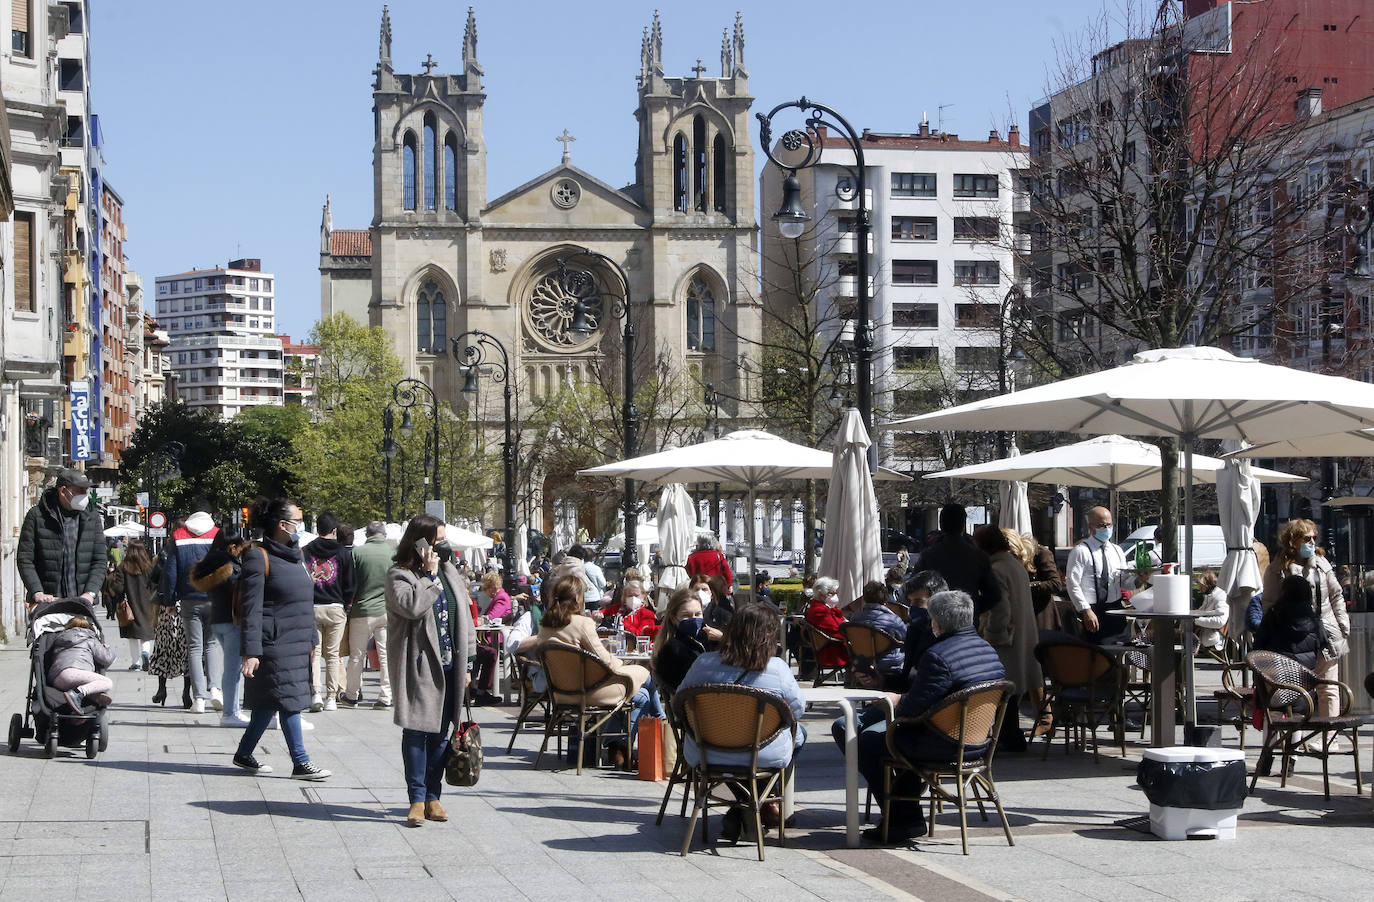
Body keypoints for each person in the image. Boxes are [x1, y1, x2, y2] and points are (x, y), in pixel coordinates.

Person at [854, 590, 1006, 845]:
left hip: (942, 743)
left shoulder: (938, 656)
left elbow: (910, 710)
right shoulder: (987, 649)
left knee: (868, 740)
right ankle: (906, 814)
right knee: (882, 733)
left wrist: (893, 701)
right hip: (977, 742)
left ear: (937, 623)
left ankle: (900, 817)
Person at [676, 602, 806, 839]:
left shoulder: (703, 663)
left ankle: (743, 805)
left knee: (735, 751)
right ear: (768, 636)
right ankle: (759, 801)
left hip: (706, 752)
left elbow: (680, 703)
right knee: (800, 734)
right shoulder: (776, 668)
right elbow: (798, 709)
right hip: (760, 752)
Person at [232, 498, 331, 781]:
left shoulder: (297, 557)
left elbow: (305, 602)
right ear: (281, 525)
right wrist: (250, 651)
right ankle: (301, 762)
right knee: (289, 700)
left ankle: (244, 753)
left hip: (298, 641)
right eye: (297, 521)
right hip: (274, 643)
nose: (300, 526)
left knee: (268, 702)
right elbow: (251, 608)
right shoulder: (257, 557)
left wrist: (312, 638)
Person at [387, 515, 475, 827]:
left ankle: (433, 796)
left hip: (451, 665)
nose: (443, 546)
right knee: (416, 731)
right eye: (437, 540)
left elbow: (464, 618)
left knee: (441, 734)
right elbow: (412, 607)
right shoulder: (400, 575)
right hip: (420, 665)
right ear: (420, 541)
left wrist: (468, 663)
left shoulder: (450, 573)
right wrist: (427, 575)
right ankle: (415, 798)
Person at [538, 574, 650, 767]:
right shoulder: (582, 623)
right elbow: (606, 661)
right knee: (645, 686)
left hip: (560, 693)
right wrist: (622, 665)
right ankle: (628, 745)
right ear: (577, 598)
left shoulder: (545, 625)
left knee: (644, 691)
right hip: (589, 692)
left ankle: (618, 749)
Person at [1262, 518, 1349, 718]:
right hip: (1294, 637)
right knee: (1295, 689)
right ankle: (1296, 736)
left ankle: (1329, 738)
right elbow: (1269, 604)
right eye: (1307, 538)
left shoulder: (1321, 563)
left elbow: (1336, 595)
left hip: (1326, 633)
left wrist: (1343, 626)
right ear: (1293, 540)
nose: (1312, 542)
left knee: (1328, 688)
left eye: (1314, 538)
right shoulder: (1278, 569)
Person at [973, 526, 1042, 749]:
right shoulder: (1014, 565)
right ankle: (1010, 735)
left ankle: (1009, 736)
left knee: (1003, 688)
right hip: (1021, 634)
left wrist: (993, 634)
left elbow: (1001, 608)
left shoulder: (997, 569)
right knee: (1011, 689)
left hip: (1006, 639)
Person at [17, 468, 107, 608]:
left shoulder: (92, 517)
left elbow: (100, 560)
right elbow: (25, 559)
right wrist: (37, 592)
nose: (85, 495)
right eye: (80, 491)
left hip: (82, 603)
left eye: (86, 491)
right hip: (48, 603)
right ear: (63, 491)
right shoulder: (36, 516)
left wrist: (90, 593)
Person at [160, 507, 221, 714]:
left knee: (194, 647)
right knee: (212, 644)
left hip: (189, 599)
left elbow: (170, 572)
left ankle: (199, 699)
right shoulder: (217, 535)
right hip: (214, 598)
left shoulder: (178, 536)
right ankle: (215, 689)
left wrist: (169, 601)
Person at [190, 528, 252, 726]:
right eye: (239, 548)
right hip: (232, 620)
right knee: (233, 669)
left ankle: (232, 710)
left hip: (218, 619)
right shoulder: (231, 567)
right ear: (232, 547)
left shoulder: (209, 564)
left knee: (231, 667)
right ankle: (230, 713)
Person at [304, 513, 357, 713]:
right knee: (333, 655)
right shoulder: (343, 552)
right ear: (334, 531)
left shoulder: (306, 551)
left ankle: (315, 693)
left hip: (313, 606)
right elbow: (350, 582)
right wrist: (347, 604)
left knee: (314, 653)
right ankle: (331, 697)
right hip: (336, 607)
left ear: (317, 529)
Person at [914, 503, 1001, 618]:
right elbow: (994, 595)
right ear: (963, 525)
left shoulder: (928, 556)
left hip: (938, 620)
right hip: (967, 621)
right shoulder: (979, 556)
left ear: (941, 524)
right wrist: (973, 608)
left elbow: (915, 589)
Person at [344, 521, 394, 709]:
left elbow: (350, 584)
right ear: (384, 534)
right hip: (386, 611)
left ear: (366, 534)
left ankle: (352, 695)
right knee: (386, 655)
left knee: (356, 655)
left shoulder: (357, 553)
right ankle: (385, 697)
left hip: (362, 610)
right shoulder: (393, 554)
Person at [1065, 506, 1128, 642]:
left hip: (1115, 608)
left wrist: (1139, 580)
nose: (1106, 528)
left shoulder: (1116, 550)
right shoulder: (1081, 551)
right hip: (1093, 609)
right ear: (1090, 527)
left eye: (1109, 524)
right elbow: (1072, 583)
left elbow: (1123, 581)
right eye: (1101, 525)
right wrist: (1085, 609)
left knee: (1121, 648)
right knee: (1096, 653)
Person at [108, 539, 157, 670]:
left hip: (130, 603)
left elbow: (118, 588)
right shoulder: (148, 567)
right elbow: (154, 584)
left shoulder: (123, 566)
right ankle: (146, 653)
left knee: (132, 634)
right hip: (148, 603)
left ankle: (135, 663)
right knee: (146, 631)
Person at [49, 615, 116, 709]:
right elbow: (106, 659)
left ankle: (79, 713)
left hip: (57, 679)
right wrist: (108, 649)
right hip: (76, 673)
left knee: (88, 690)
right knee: (107, 683)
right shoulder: (90, 639)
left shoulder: (59, 639)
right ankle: (77, 693)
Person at [651, 586, 709, 693]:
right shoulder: (672, 649)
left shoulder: (707, 639)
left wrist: (722, 638)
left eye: (698, 614)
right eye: (686, 615)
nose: (694, 619)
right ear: (674, 618)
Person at [848, 580, 908, 681]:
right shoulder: (893, 620)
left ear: (865, 598)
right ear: (885, 598)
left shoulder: (854, 618)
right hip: (888, 663)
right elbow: (906, 637)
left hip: (862, 661)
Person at [471, 571, 512, 706]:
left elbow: (492, 616)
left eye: (486, 588)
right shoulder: (499, 597)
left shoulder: (501, 598)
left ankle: (480, 690)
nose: (485, 592)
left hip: (495, 636)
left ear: (492, 587)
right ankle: (477, 689)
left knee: (486, 653)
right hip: (490, 635)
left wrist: (480, 620)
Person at [900, 570, 948, 684]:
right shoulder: (914, 630)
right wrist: (878, 680)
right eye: (910, 602)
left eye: (918, 602)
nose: (911, 607)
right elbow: (905, 677)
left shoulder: (947, 638)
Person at [804, 576, 850, 669]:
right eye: (832, 593)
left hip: (837, 645)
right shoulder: (820, 610)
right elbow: (836, 630)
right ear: (821, 594)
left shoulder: (826, 607)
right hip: (833, 650)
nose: (835, 596)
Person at [1193, 569, 1229, 653]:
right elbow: (1202, 611)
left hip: (1213, 636)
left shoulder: (1219, 597)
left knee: (1181, 636)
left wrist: (1196, 621)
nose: (1200, 588)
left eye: (1201, 586)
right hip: (1206, 633)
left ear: (1208, 584)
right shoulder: (1210, 596)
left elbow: (1220, 621)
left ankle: (1183, 660)